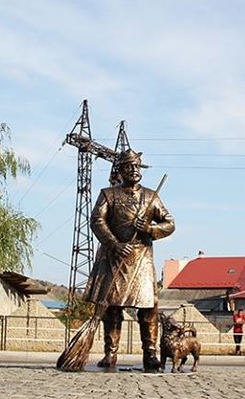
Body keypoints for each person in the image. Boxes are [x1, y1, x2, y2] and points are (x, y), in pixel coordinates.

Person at [86, 149, 175, 372]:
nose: (134, 170)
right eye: (129, 166)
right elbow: (97, 221)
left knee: (149, 309)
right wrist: (114, 243)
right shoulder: (108, 194)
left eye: (137, 166)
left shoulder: (151, 197)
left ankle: (150, 354)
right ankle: (110, 353)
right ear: (120, 169)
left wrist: (149, 228)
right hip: (116, 257)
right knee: (112, 309)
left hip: (142, 260)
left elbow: (170, 223)